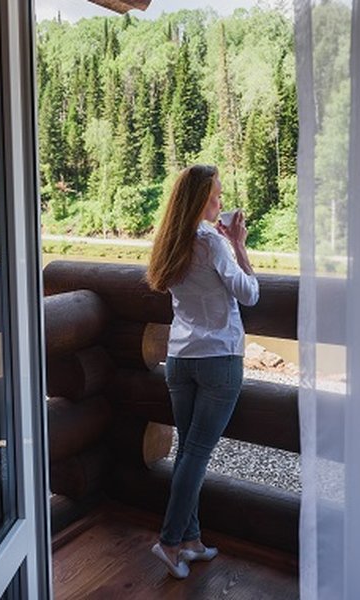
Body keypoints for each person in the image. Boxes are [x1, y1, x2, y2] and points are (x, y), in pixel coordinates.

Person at [146, 164, 259, 579]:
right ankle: (170, 542)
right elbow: (249, 294)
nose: (221, 201)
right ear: (200, 200)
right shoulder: (212, 242)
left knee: (188, 451)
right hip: (218, 359)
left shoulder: (171, 241)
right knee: (196, 453)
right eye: (216, 194)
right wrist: (240, 245)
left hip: (180, 359)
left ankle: (191, 540)